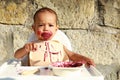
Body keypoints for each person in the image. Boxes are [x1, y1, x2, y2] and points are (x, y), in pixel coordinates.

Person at [14, 7, 95, 67]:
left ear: (56, 29)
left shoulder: (59, 44)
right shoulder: (32, 45)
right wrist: (25, 49)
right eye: (41, 25)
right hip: (36, 75)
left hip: (58, 75)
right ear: (34, 28)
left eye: (50, 25)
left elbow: (72, 55)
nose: (46, 28)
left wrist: (85, 59)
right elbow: (17, 56)